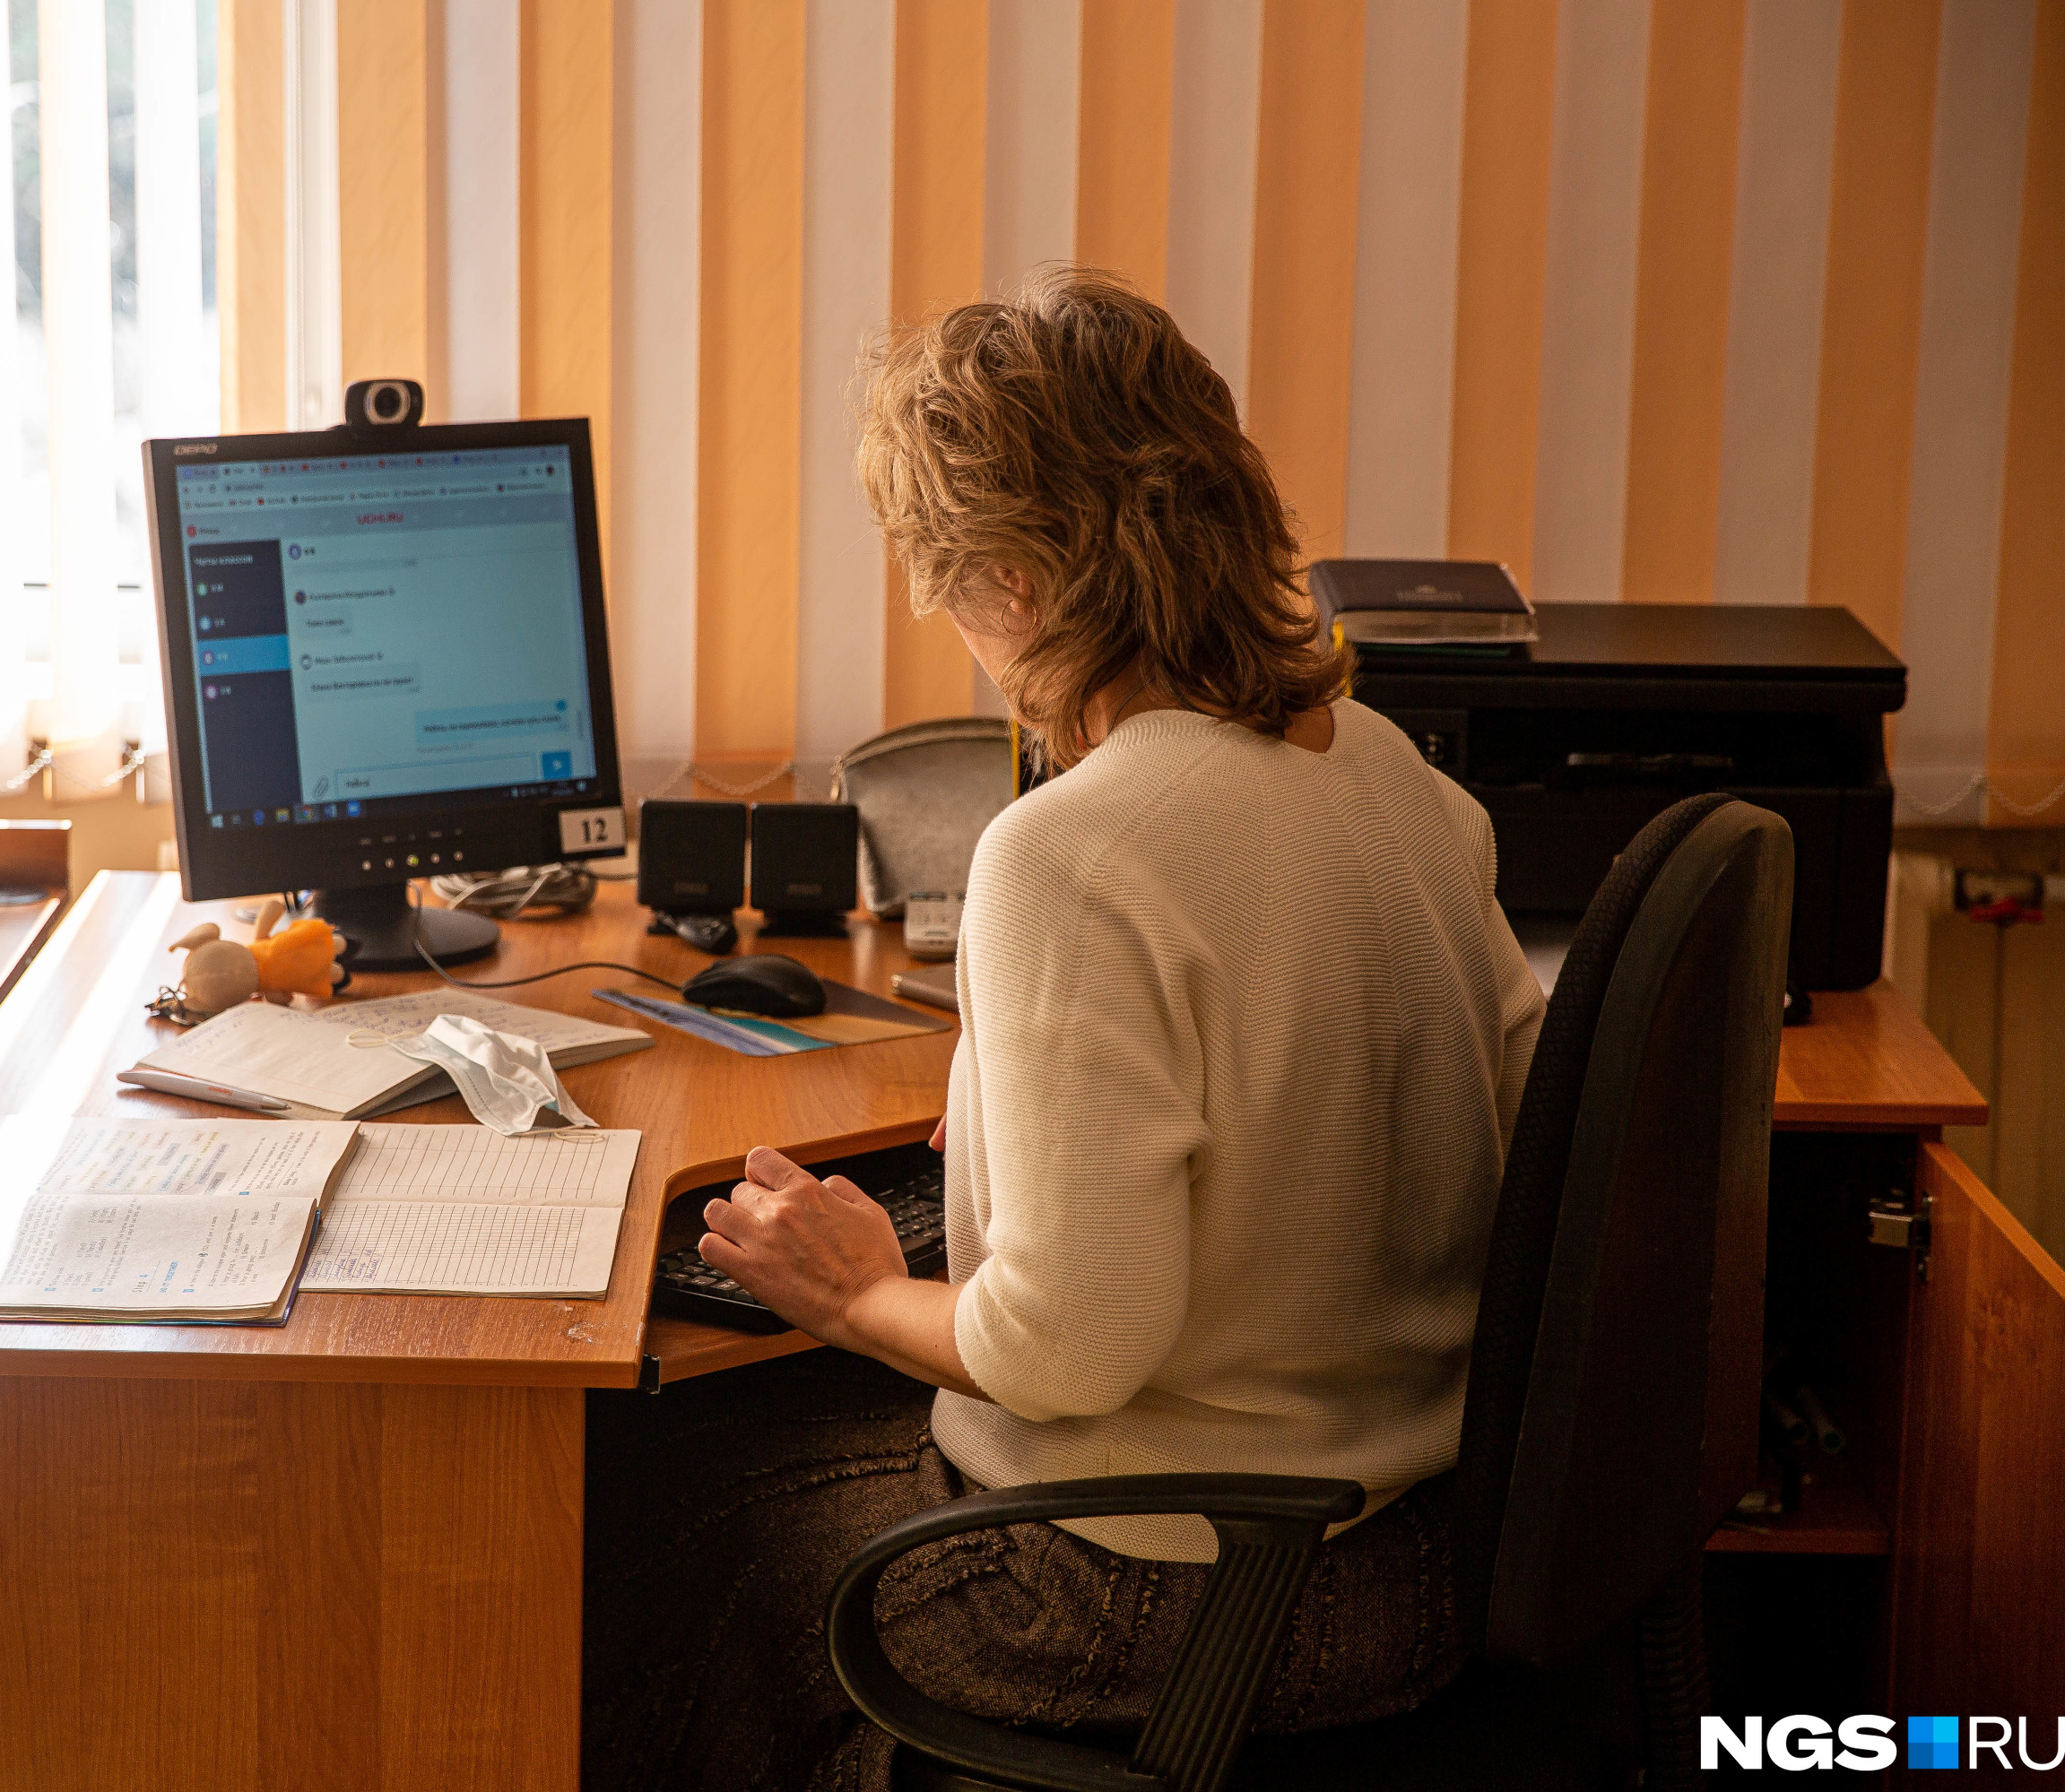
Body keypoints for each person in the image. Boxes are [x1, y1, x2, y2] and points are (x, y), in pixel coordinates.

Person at [583, 265, 1546, 1792]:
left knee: (640, 1492)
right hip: (1420, 1559)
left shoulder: (1071, 855)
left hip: (1149, 1597)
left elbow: (1065, 1349)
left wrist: (850, 1292)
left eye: (943, 578)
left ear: (1018, 586)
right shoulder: (1390, 772)